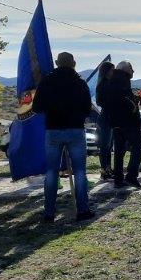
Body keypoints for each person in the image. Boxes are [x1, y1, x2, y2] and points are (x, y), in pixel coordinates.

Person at [32, 52, 95, 222]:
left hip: (53, 129)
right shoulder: (80, 82)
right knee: (80, 171)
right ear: (74, 63)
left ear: (56, 63)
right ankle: (83, 210)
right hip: (75, 129)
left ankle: (49, 213)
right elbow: (88, 108)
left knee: (52, 172)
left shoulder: (47, 81)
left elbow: (37, 107)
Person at [104, 61, 141, 189]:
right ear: (125, 70)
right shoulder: (122, 79)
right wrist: (133, 106)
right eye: (131, 68)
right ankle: (131, 176)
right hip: (128, 121)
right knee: (138, 147)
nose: (133, 71)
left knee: (119, 151)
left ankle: (118, 179)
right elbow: (123, 98)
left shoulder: (112, 80)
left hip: (116, 122)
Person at [95, 61, 115, 180]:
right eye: (112, 70)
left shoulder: (109, 83)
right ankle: (104, 170)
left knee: (108, 146)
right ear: (106, 71)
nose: (114, 72)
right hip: (105, 118)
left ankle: (108, 168)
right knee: (104, 146)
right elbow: (99, 101)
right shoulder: (103, 84)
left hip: (110, 118)